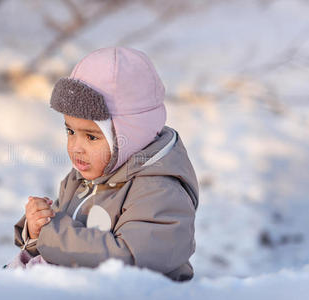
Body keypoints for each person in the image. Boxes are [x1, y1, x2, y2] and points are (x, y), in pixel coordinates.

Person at [11, 46, 199, 282]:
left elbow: (129, 259)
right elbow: (62, 240)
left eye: (91, 136)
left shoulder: (159, 189)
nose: (76, 146)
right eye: (70, 131)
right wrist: (38, 227)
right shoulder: (83, 177)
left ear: (130, 135)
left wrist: (52, 233)